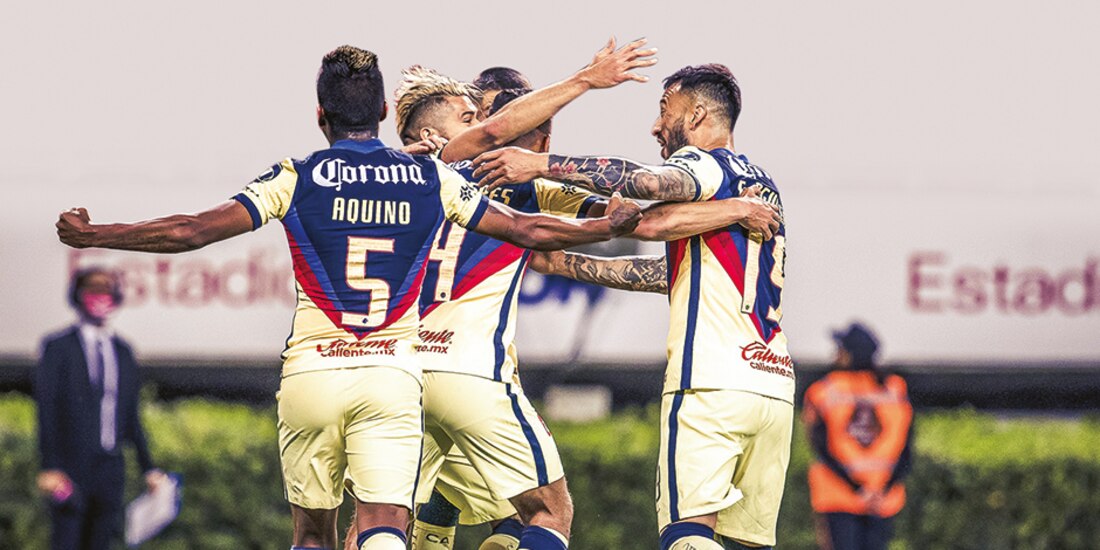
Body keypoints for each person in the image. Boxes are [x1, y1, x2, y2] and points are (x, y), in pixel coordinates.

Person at [54, 45, 644, 550]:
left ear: (320, 115)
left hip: (314, 370)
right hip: (397, 369)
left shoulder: (297, 173)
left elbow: (191, 231)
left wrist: (95, 235)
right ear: (385, 112)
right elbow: (529, 230)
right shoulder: (433, 176)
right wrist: (605, 223)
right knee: (402, 523)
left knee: (318, 533)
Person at [392, 65, 782, 550]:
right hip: (768, 379)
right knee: (544, 512)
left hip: (402, 363)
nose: (657, 127)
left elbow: (638, 229)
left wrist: (563, 259)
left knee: (387, 520)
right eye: (467, 116)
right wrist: (735, 209)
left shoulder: (411, 176)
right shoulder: (750, 181)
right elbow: (634, 208)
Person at [35, 267, 166, 550]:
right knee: (67, 540)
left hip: (109, 467)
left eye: (107, 291)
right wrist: (50, 466)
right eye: (93, 291)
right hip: (70, 468)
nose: (100, 298)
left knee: (102, 541)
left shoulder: (123, 351)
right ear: (78, 296)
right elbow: (47, 409)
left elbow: (131, 415)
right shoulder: (58, 347)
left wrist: (149, 467)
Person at [802, 323, 913, 550]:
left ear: (849, 354)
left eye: (841, 348)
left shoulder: (824, 390)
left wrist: (859, 490)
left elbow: (820, 447)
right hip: (882, 499)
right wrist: (879, 491)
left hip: (838, 497)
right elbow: (907, 450)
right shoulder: (895, 389)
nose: (836, 354)